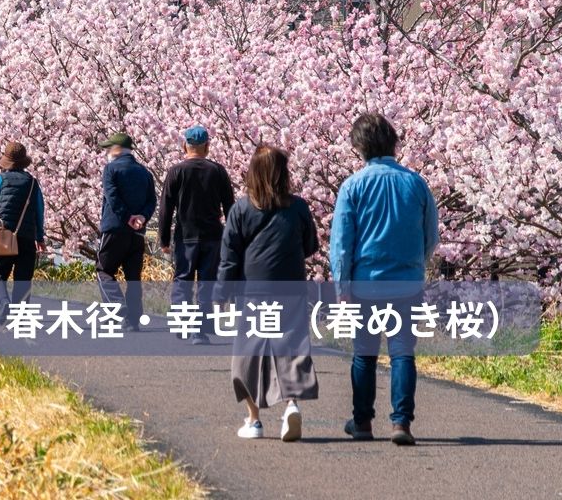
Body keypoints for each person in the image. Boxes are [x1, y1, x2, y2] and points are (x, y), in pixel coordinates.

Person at [331, 112, 439, 446]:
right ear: (393, 143)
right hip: (406, 282)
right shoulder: (416, 183)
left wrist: (342, 286)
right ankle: (401, 422)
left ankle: (362, 422)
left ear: (360, 147)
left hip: (365, 282)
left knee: (363, 352)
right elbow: (431, 236)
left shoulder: (354, 186)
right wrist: (414, 264)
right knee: (403, 351)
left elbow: (341, 244)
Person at [220, 145, 320, 442]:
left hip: (253, 290)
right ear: (283, 174)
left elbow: (229, 256)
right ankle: (291, 405)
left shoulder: (241, 208)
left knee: (248, 355)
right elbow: (311, 246)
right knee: (290, 347)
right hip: (291, 288)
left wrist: (223, 294)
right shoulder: (298, 207)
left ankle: (253, 420)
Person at [160, 125, 235, 339]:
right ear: (207, 147)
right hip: (213, 236)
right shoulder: (218, 171)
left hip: (186, 236)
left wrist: (164, 238)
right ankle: (201, 330)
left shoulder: (176, 171)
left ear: (185, 145)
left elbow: (166, 208)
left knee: (183, 280)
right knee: (206, 282)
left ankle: (183, 324)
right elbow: (230, 206)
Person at [0, 142, 45, 323]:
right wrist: (40, 237)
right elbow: (39, 210)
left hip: (3, 234)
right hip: (27, 236)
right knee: (23, 278)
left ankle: (4, 302)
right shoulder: (32, 183)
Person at [96, 131, 157, 331]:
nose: (107, 152)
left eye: (109, 148)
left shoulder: (111, 169)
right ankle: (133, 320)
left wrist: (126, 217)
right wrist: (141, 217)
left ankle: (115, 305)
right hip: (138, 232)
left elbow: (112, 197)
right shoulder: (144, 172)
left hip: (114, 228)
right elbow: (152, 201)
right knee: (133, 276)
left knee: (104, 270)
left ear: (117, 149)